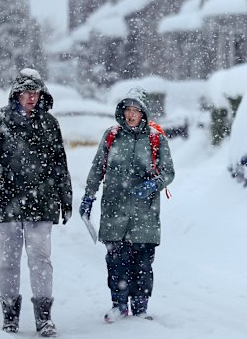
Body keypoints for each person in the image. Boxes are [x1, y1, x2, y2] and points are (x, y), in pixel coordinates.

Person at [0, 68, 72, 337]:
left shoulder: (50, 124)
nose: (31, 98)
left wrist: (65, 197)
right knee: (8, 262)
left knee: (41, 260)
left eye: (35, 92)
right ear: (16, 94)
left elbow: (58, 164)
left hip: (41, 203)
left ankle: (44, 318)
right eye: (26, 93)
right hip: (5, 206)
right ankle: (10, 316)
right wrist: (2, 189)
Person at [79, 87, 175, 322]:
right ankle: (119, 305)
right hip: (114, 211)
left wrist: (153, 185)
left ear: (144, 113)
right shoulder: (111, 136)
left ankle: (140, 308)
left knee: (142, 263)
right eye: (128, 110)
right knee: (116, 261)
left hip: (145, 214)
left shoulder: (155, 138)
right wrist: (89, 195)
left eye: (136, 110)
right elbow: (97, 168)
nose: (131, 115)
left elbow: (169, 172)